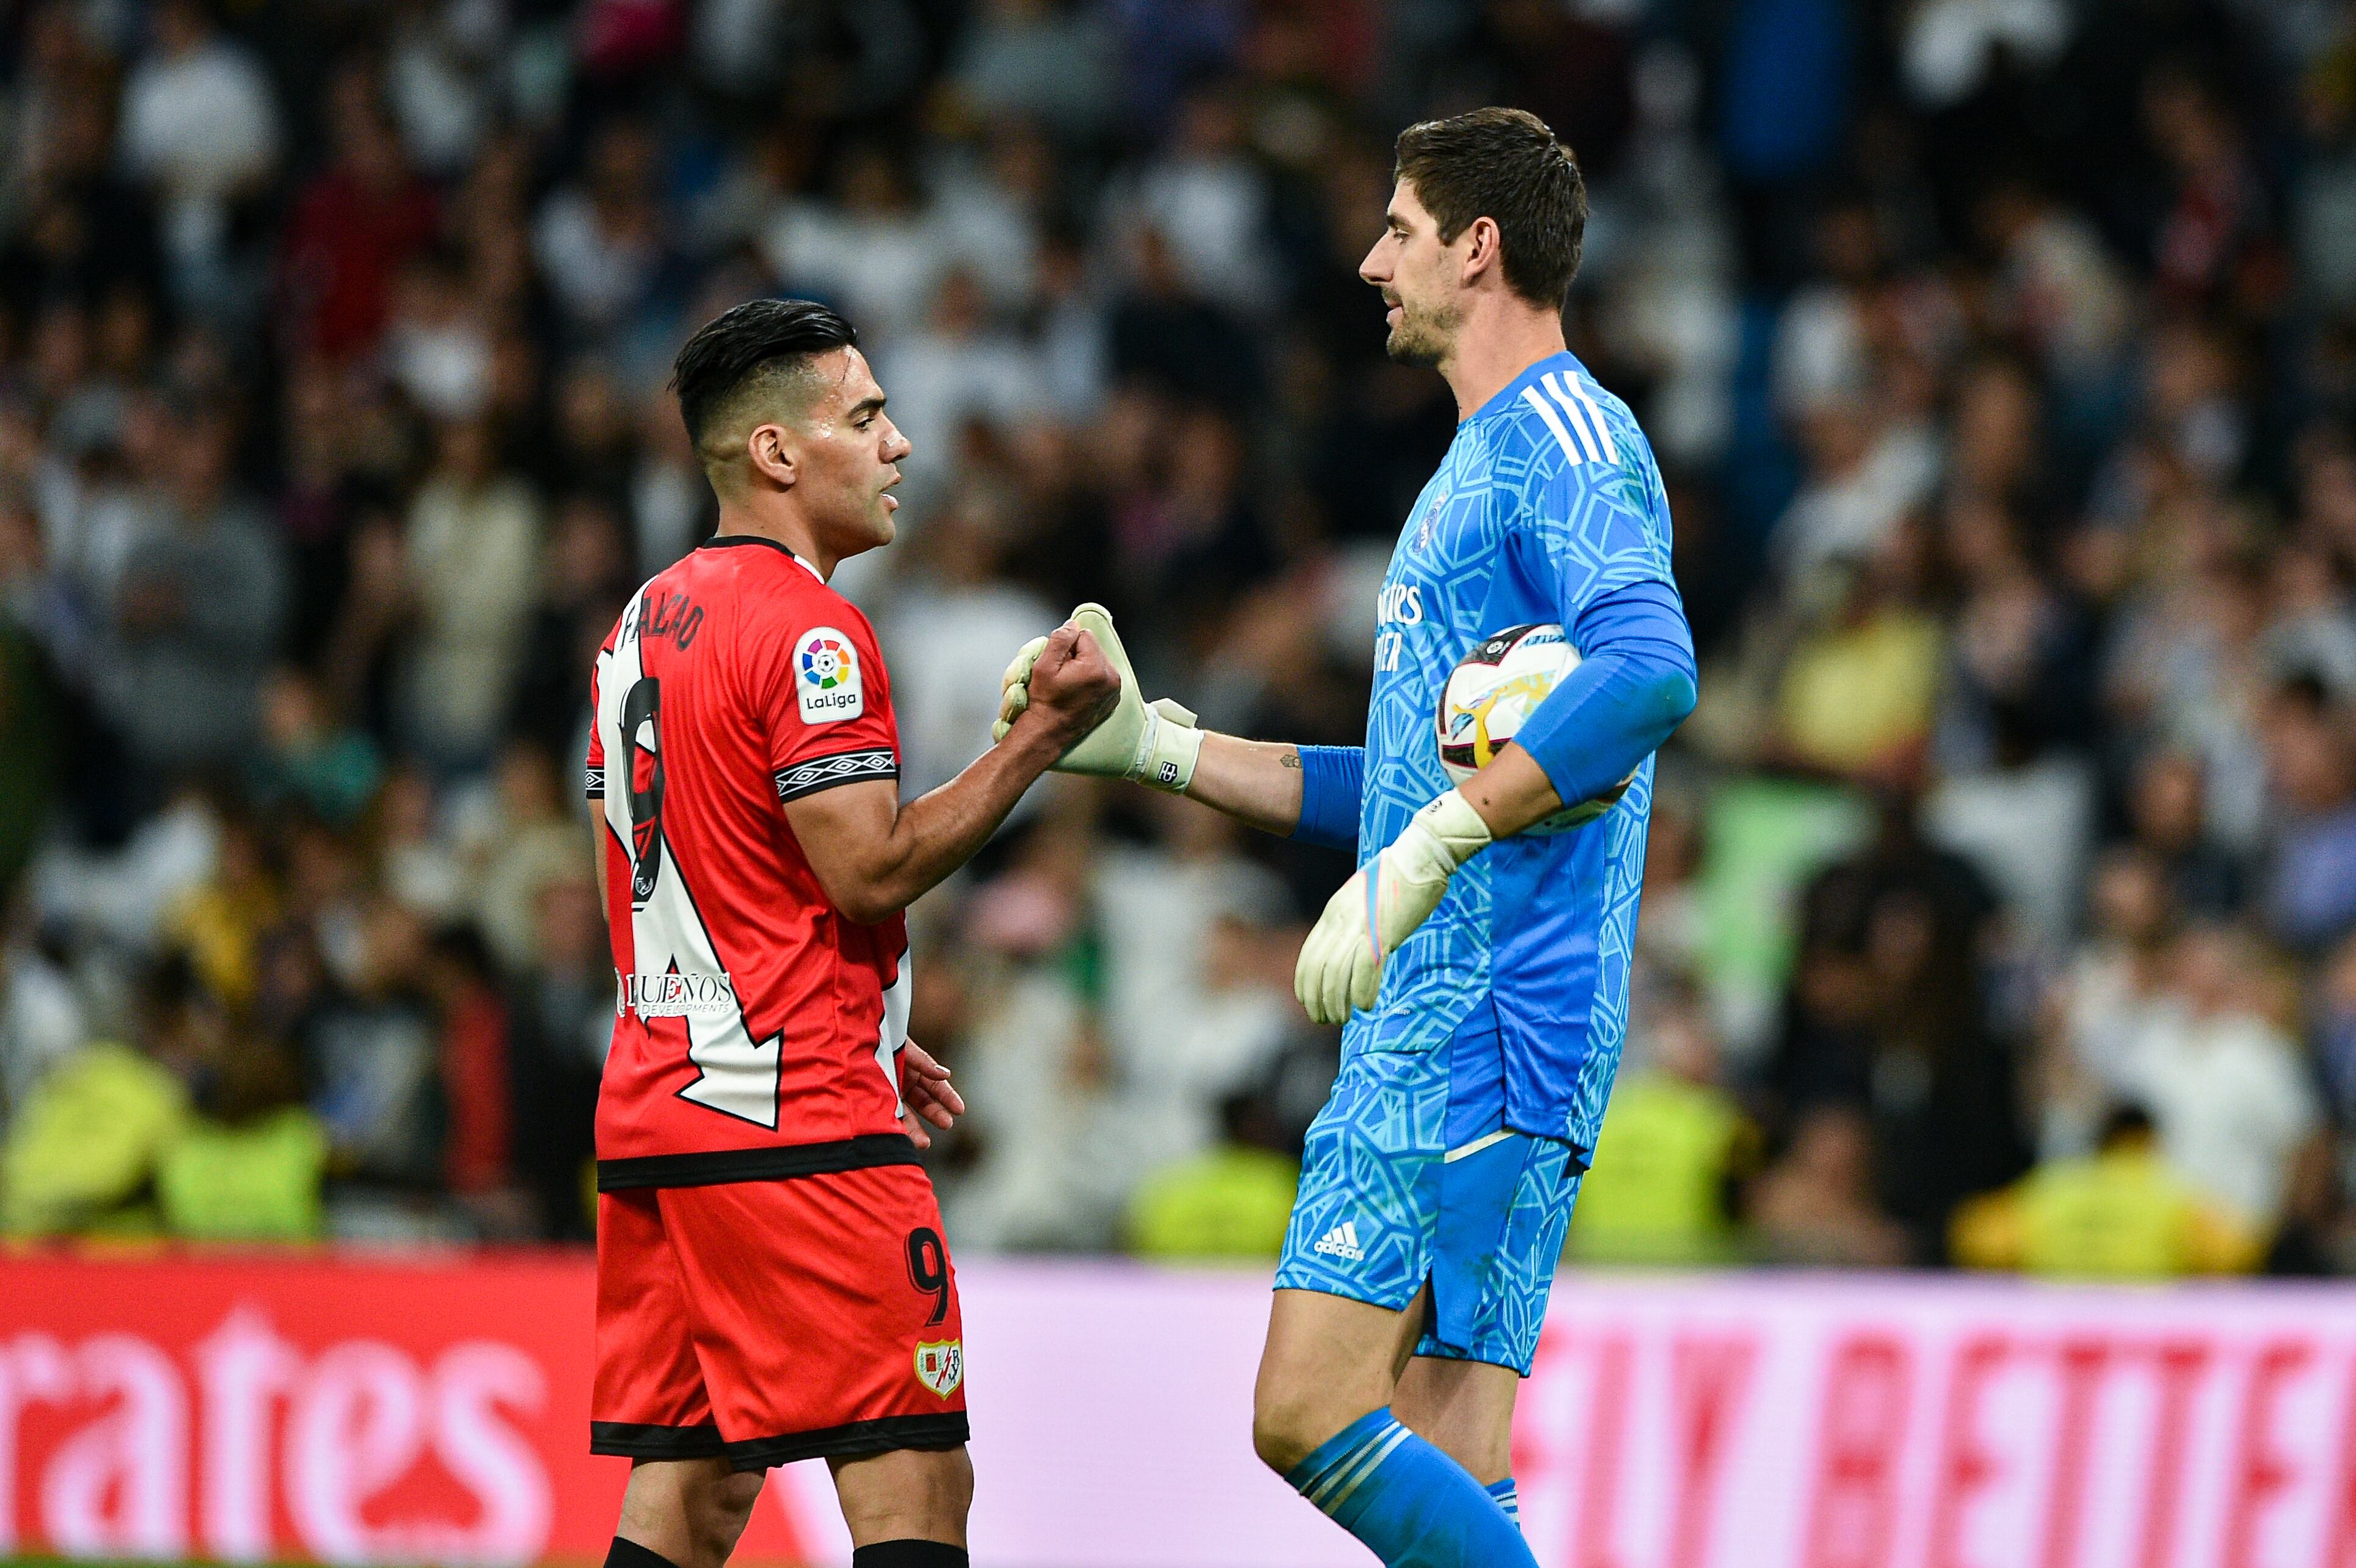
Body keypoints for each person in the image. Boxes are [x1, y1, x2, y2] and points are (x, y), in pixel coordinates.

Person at [998, 107, 1696, 1567]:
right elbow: (1390, 781)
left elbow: (1650, 671)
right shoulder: (1478, 464)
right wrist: (1168, 750)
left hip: (1480, 1018)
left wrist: (1442, 839)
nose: (1372, 259)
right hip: (1492, 1021)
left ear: (1478, 246)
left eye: (1399, 229)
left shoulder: (1562, 436)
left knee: (1306, 1410)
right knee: (1451, 1463)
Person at [584, 298, 1116, 1568]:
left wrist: (869, 1017)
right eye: (867, 417)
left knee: (693, 1492)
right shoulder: (812, 625)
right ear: (777, 453)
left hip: (665, 1107)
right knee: (916, 1480)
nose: (901, 447)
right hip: (796, 1121)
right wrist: (1041, 736)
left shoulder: (638, 624)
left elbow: (695, 879)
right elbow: (866, 869)